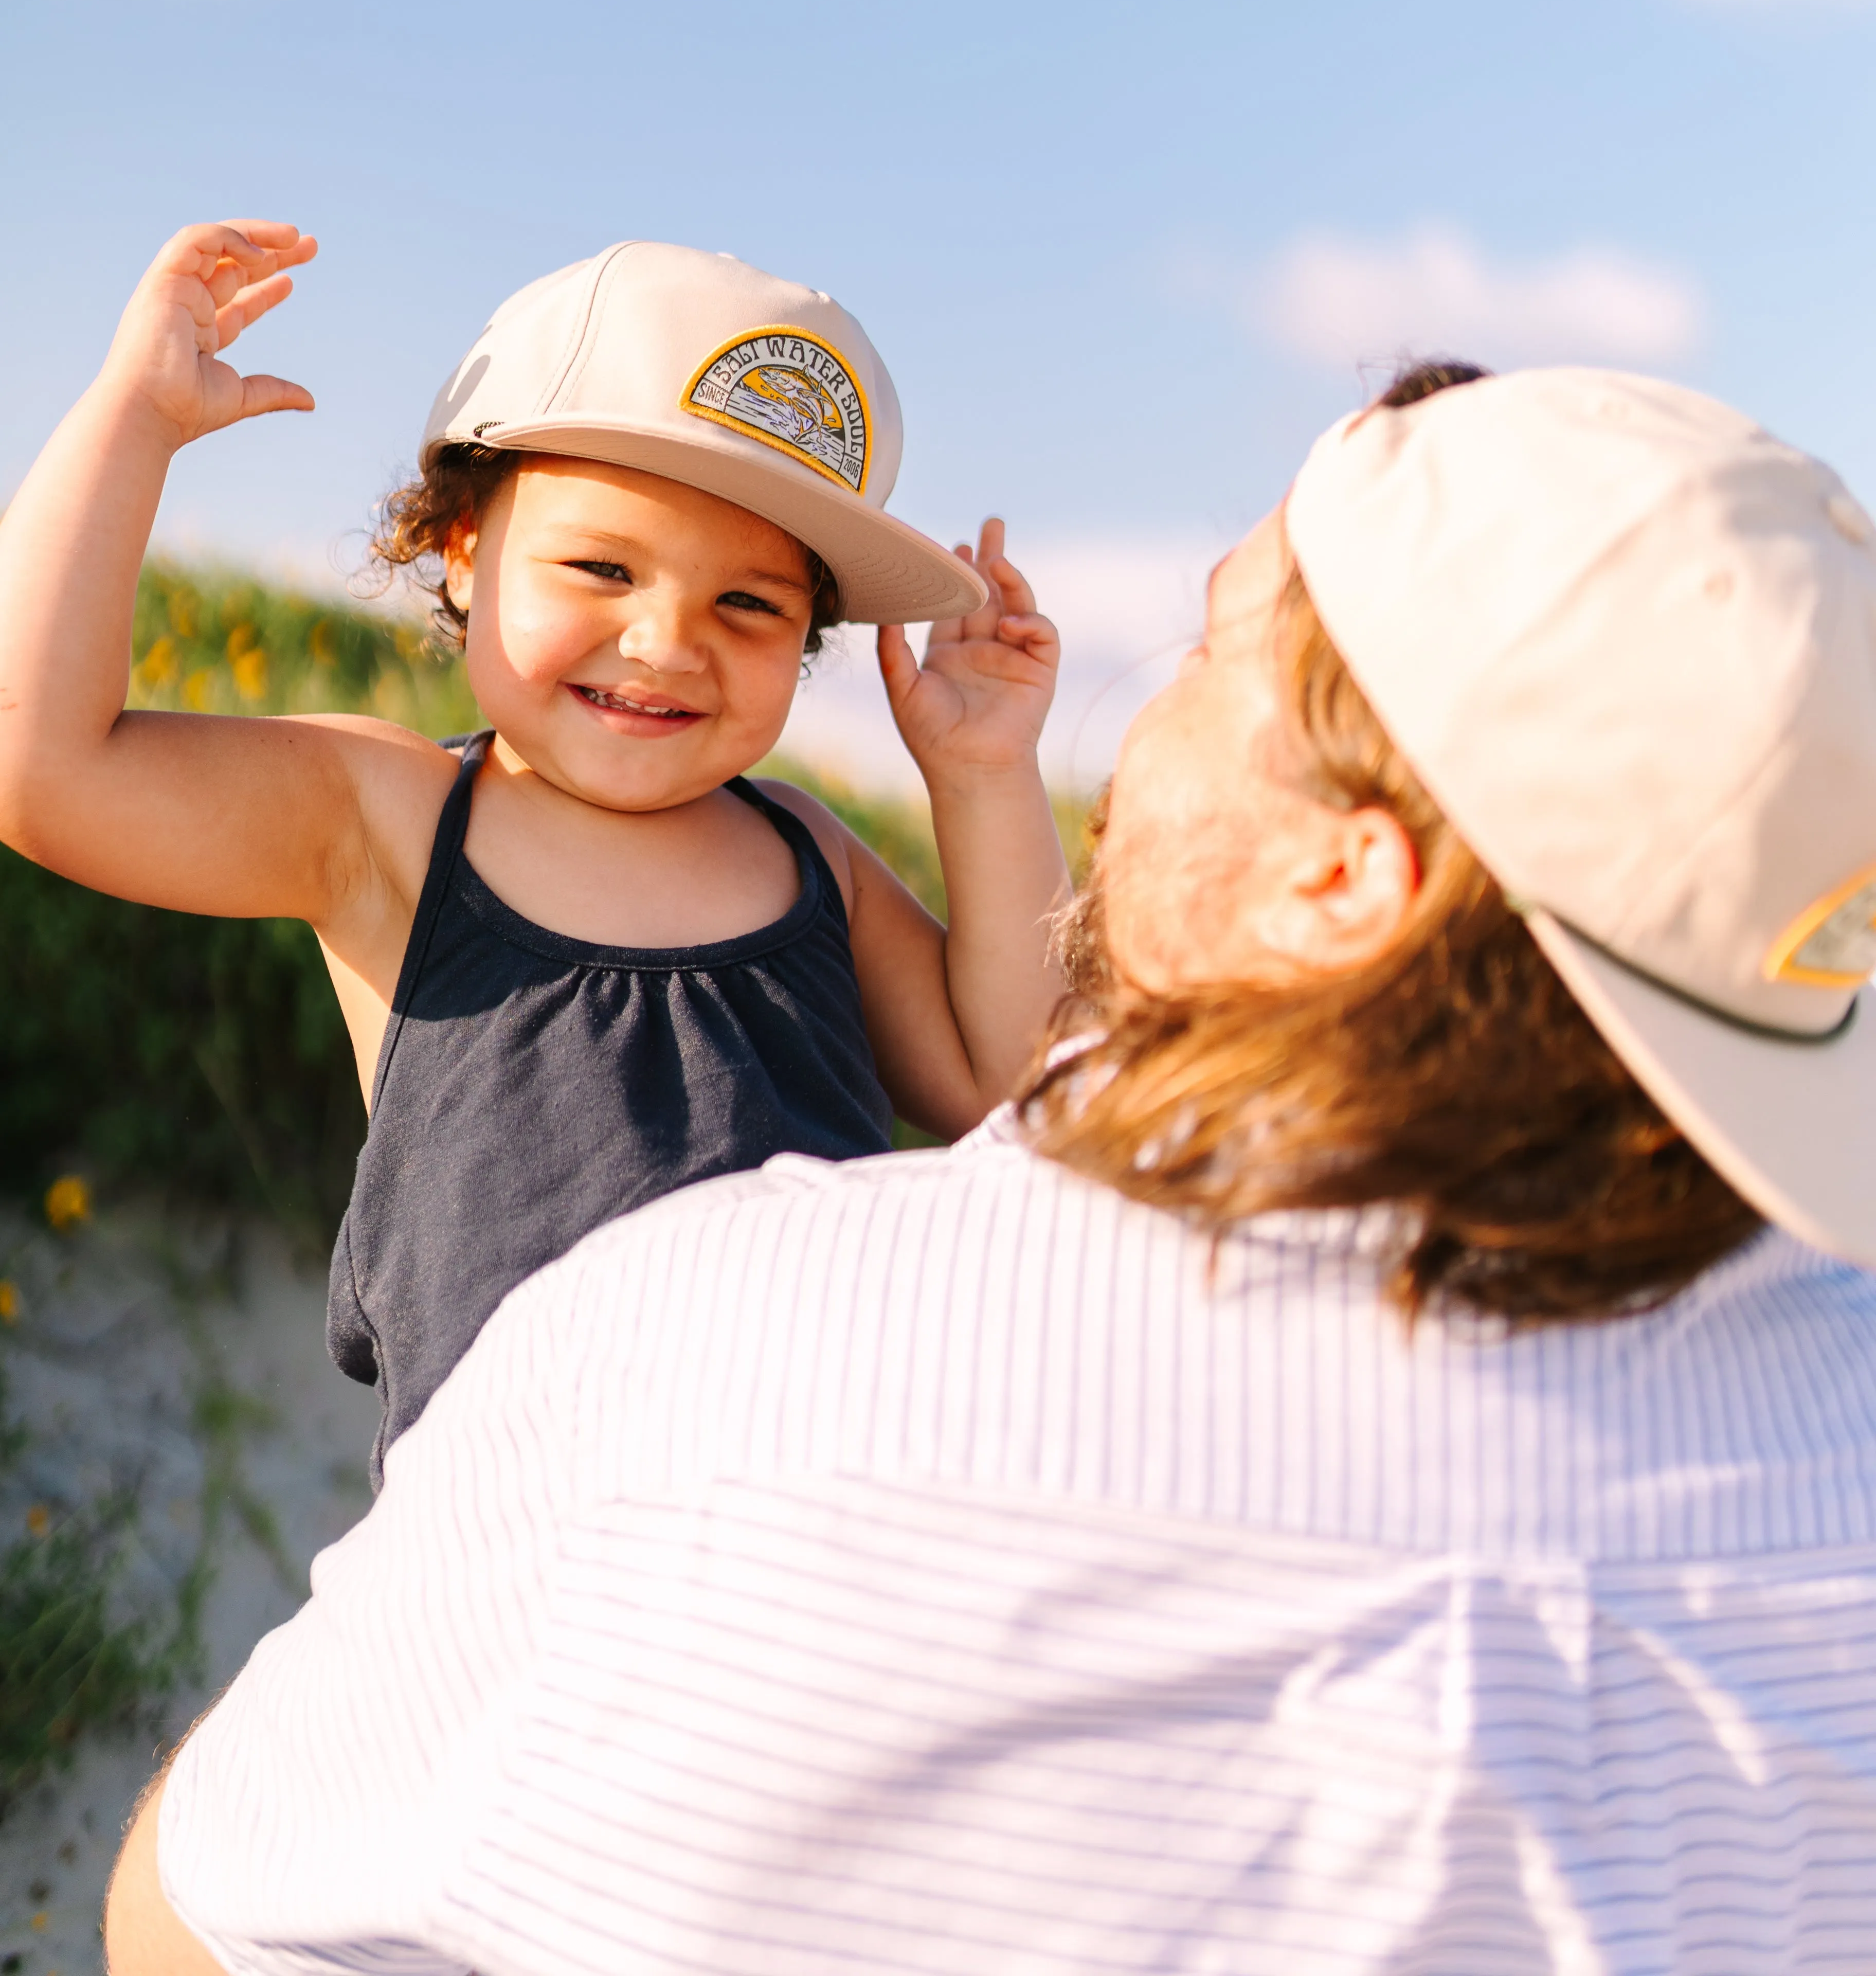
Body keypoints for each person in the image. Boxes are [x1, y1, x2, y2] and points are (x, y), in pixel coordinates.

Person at [113, 361, 1876, 1974]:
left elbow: (194, 1920)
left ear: (1339, 881)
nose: (1141, 725)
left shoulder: (705, 1362)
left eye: (1205, 654)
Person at [0, 223, 1068, 1480]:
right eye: (602, 567)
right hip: (514, 1555)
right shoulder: (386, 816)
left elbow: (1025, 1092)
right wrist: (135, 417)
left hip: (824, 1526)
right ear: (461, 549)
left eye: (749, 603)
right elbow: (42, 770)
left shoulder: (808, 856)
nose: (668, 644)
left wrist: (988, 776)